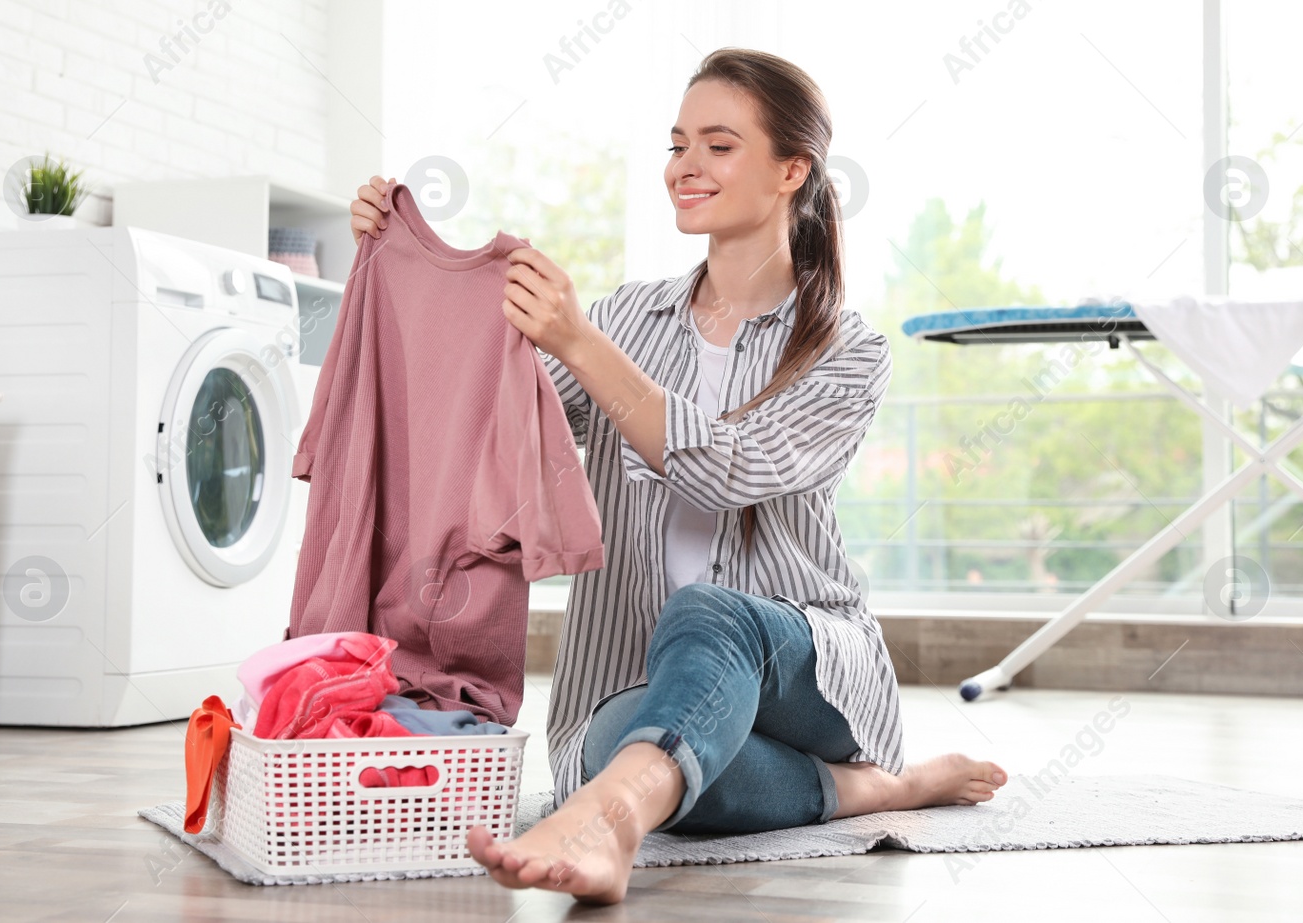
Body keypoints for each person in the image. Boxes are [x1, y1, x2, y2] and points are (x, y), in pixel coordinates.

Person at [348, 48, 1006, 905]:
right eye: (677, 144)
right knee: (655, 757)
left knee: (706, 622)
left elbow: (732, 471)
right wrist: (397, 272)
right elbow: (486, 435)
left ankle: (608, 820)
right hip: (629, 682)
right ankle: (876, 789)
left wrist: (580, 342)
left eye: (720, 145)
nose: (686, 167)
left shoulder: (849, 349)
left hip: (806, 667)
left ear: (791, 170)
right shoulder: (626, 317)